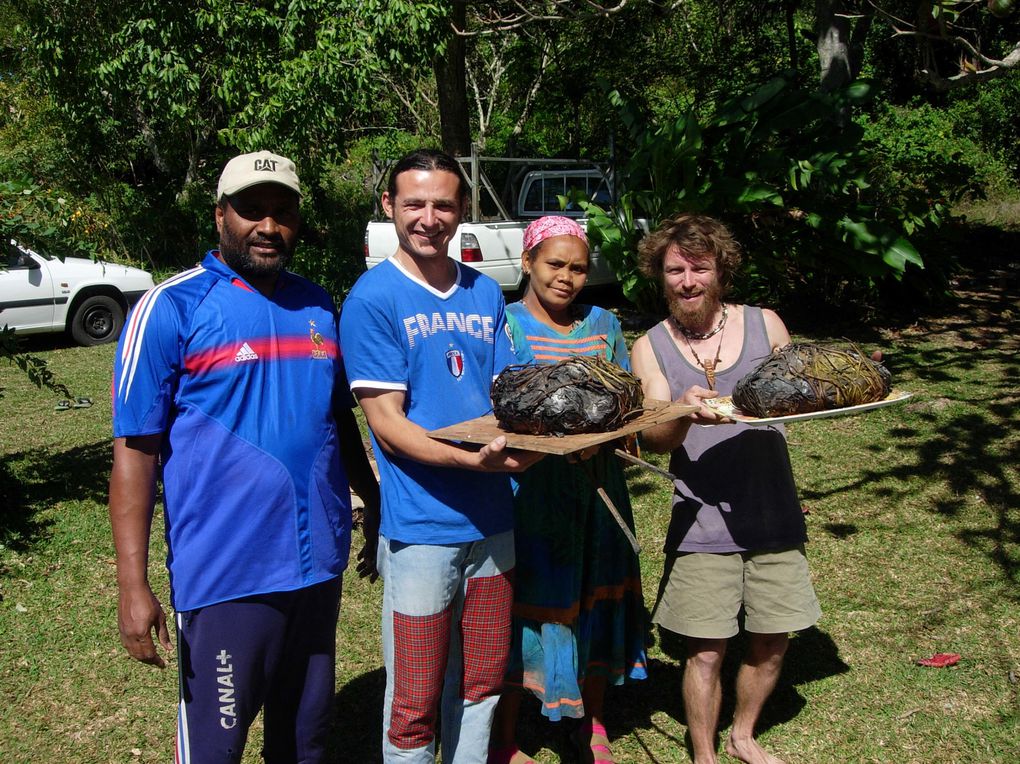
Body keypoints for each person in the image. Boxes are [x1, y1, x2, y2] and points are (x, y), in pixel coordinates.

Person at [108, 150, 380, 763]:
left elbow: (337, 418)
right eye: (251, 209)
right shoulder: (172, 307)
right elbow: (135, 452)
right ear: (220, 216)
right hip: (227, 574)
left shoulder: (316, 305)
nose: (268, 225)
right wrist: (133, 583)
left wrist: (375, 497)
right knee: (216, 747)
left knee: (304, 739)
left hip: (316, 568)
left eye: (283, 212)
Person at [338, 148, 545, 764]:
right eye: (414, 204)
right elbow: (389, 426)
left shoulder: (485, 293)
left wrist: (540, 444)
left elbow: (513, 395)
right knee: (416, 695)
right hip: (423, 529)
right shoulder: (374, 299)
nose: (429, 218)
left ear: (462, 210)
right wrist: (472, 463)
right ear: (389, 208)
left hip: (493, 525)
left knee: (481, 681)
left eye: (444, 204)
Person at [630, 213, 821, 764]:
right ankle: (704, 755)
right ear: (659, 275)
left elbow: (799, 394)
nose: (687, 281)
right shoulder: (651, 346)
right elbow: (656, 439)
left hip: (772, 512)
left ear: (721, 271)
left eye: (698, 268)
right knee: (705, 649)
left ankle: (742, 736)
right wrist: (684, 414)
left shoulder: (766, 325)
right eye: (674, 270)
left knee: (772, 637)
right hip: (701, 517)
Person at [488, 216, 647, 764]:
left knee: (594, 597)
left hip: (598, 490)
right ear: (528, 263)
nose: (567, 277)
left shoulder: (604, 324)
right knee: (527, 606)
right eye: (555, 264)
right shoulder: (502, 324)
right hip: (530, 494)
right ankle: (506, 736)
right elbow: (495, 405)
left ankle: (592, 724)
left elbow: (628, 401)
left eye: (578, 268)